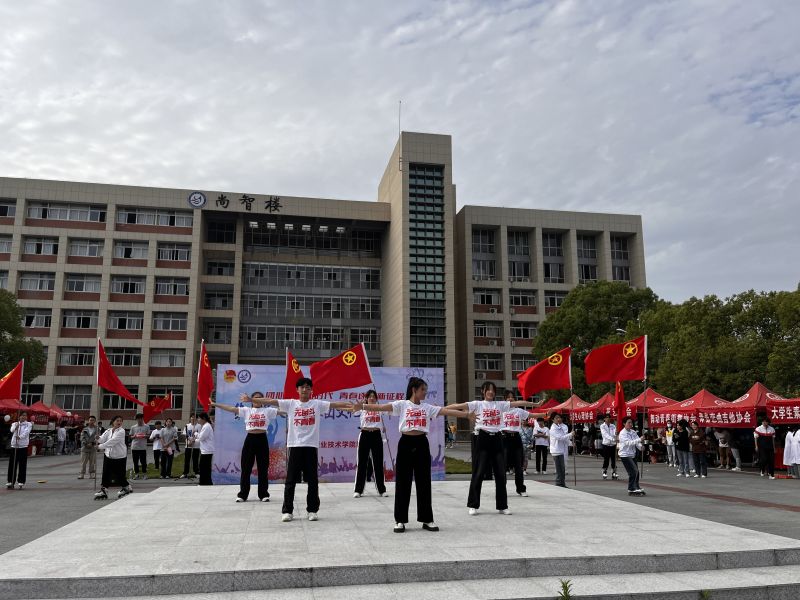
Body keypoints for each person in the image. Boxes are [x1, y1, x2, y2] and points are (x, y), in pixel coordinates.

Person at [356, 376, 466, 533]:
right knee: (403, 483)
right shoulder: (402, 405)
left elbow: (444, 410)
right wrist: (364, 407)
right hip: (406, 444)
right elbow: (382, 408)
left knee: (424, 482)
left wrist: (466, 415)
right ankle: (400, 520)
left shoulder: (427, 407)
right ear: (414, 390)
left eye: (425, 390)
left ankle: (427, 519)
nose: (425, 393)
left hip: (421, 444)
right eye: (423, 390)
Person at [241, 377, 356, 522]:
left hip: (311, 446)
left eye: (308, 387)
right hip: (295, 446)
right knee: (290, 481)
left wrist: (354, 406)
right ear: (297, 390)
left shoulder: (317, 404)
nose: (305, 389)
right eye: (302, 387)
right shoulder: (290, 404)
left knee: (312, 481)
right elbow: (271, 401)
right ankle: (287, 510)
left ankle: (312, 510)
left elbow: (334, 405)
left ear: (311, 390)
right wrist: (251, 399)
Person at [448, 382, 536, 516]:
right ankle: (473, 505)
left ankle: (502, 506)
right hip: (482, 438)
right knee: (479, 472)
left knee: (500, 473)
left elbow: (518, 403)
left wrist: (535, 405)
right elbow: (458, 406)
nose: (491, 392)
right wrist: (440, 408)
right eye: (488, 390)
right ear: (483, 391)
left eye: (493, 390)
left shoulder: (500, 405)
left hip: (497, 439)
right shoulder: (477, 404)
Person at [211, 398, 278, 502]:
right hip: (250, 439)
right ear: (251, 400)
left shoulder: (267, 411)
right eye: (255, 398)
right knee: (246, 468)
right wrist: (215, 404)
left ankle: (263, 494)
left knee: (263, 468)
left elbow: (283, 411)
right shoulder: (247, 410)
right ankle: (243, 494)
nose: (257, 400)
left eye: (260, 398)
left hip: (262, 439)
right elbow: (231, 408)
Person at [353, 389, 388, 498]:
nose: (372, 398)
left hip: (376, 435)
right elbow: (353, 410)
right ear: (366, 399)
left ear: (376, 399)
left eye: (373, 396)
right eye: (370, 396)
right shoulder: (362, 408)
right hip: (365, 434)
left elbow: (390, 410)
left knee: (378, 463)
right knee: (362, 463)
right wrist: (359, 405)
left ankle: (381, 490)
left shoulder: (380, 408)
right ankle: (358, 490)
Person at [500, 390, 531, 498]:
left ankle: (521, 489)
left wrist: (545, 413)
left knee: (519, 465)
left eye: (512, 397)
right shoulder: (501, 410)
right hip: (504, 438)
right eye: (508, 397)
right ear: (504, 399)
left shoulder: (519, 410)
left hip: (516, 438)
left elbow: (532, 414)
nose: (510, 399)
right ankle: (501, 489)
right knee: (503, 465)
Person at [94, 416, 132, 500]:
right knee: (106, 473)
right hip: (108, 455)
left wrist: (100, 446)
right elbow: (102, 439)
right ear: (113, 421)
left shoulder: (121, 431)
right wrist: (98, 438)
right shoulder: (108, 430)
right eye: (117, 421)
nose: (119, 422)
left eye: (120, 421)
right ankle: (104, 490)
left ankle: (127, 487)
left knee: (119, 474)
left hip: (119, 456)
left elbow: (112, 442)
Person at [617, 417, 645, 495]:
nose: (630, 424)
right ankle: (631, 488)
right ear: (624, 423)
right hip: (625, 455)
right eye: (628, 422)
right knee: (633, 471)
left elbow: (636, 442)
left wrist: (640, 447)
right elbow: (628, 443)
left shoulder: (633, 432)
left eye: (631, 423)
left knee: (636, 472)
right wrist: (639, 439)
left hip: (632, 454)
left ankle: (636, 486)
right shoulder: (622, 433)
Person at [7, 411, 32, 489]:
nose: (24, 417)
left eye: (25, 416)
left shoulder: (29, 424)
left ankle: (21, 481)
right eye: (22, 415)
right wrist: (16, 427)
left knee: (22, 465)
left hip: (23, 447)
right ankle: (10, 481)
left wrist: (20, 437)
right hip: (14, 446)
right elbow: (11, 430)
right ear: (19, 416)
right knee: (12, 465)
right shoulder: (15, 424)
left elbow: (26, 432)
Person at [549, 413, 573, 488]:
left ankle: (562, 483)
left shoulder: (559, 427)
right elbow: (560, 438)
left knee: (562, 468)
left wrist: (570, 443)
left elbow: (564, 438)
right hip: (556, 450)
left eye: (559, 417)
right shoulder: (553, 428)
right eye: (556, 418)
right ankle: (559, 483)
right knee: (559, 469)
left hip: (561, 450)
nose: (558, 419)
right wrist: (570, 434)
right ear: (553, 419)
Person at [195, 412, 214, 485]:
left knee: (203, 468)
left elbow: (201, 438)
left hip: (207, 451)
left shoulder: (206, 426)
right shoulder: (206, 426)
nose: (198, 420)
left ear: (204, 419)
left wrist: (196, 434)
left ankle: (203, 483)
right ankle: (206, 482)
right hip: (206, 450)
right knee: (205, 467)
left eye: (199, 418)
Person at [78, 415, 100, 479]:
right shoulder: (84, 429)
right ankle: (82, 474)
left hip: (93, 448)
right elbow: (82, 438)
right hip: (85, 448)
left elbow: (99, 437)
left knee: (92, 462)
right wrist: (86, 444)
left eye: (93, 420)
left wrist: (92, 443)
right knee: (83, 462)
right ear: (88, 421)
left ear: (95, 421)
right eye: (90, 420)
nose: (91, 421)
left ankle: (91, 474)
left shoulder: (97, 429)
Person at [129, 414, 149, 480]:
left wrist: (144, 436)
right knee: (135, 461)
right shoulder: (133, 427)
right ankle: (137, 474)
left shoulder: (146, 426)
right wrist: (134, 436)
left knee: (143, 461)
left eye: (140, 418)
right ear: (136, 419)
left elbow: (148, 435)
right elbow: (130, 436)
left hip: (143, 447)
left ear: (142, 419)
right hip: (135, 447)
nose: (139, 420)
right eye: (138, 419)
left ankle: (144, 474)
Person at [181, 414, 201, 479]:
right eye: (192, 417)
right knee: (187, 460)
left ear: (197, 419)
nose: (193, 418)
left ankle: (196, 472)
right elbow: (185, 435)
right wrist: (189, 441)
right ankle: (185, 473)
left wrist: (193, 440)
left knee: (195, 459)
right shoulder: (187, 426)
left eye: (195, 417)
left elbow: (200, 435)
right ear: (190, 418)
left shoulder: (199, 426)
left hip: (196, 446)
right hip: (188, 446)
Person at [599, 414, 618, 480]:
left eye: (609, 418)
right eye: (606, 418)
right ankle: (604, 471)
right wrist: (613, 439)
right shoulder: (602, 426)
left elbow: (614, 434)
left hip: (613, 444)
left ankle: (614, 471)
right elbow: (605, 434)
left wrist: (616, 434)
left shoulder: (613, 426)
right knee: (606, 459)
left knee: (614, 459)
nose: (608, 419)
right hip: (606, 444)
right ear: (604, 419)